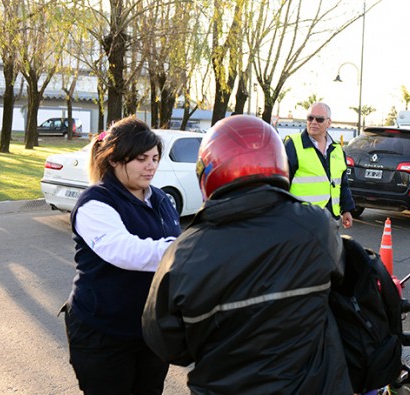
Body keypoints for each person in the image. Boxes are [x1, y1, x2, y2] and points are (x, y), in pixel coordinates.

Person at [142, 115, 350, 394]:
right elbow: (340, 284)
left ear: (208, 170)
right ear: (279, 162)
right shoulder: (317, 226)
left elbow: (164, 342)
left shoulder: (183, 254)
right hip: (316, 385)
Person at [61, 116, 180, 394]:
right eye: (141, 158)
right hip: (102, 333)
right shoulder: (96, 202)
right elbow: (125, 251)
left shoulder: (161, 199)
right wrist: (188, 249)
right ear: (114, 159)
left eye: (155, 158)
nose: (151, 165)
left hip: (149, 331)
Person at [283, 102, 355, 229]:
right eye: (310, 118)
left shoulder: (337, 150)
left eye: (319, 119)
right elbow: (282, 184)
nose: (313, 122)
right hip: (302, 221)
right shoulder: (293, 145)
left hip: (330, 221)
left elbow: (342, 184)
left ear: (328, 123)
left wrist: (346, 209)